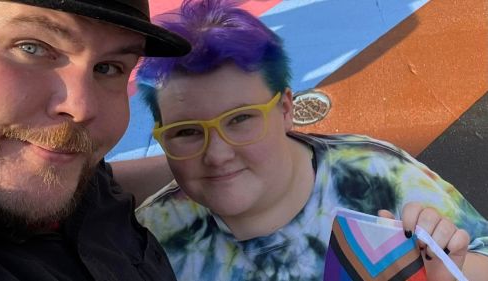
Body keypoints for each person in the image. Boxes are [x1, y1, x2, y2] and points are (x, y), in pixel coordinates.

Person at [134, 0, 488, 280]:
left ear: (286, 109)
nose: (217, 154)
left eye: (240, 119)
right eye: (186, 132)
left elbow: (479, 253)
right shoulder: (147, 238)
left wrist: (450, 268)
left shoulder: (379, 177)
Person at [0, 0, 191, 280]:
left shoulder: (46, 153)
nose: (82, 109)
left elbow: (101, 183)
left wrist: (201, 164)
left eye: (108, 67)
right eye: (32, 48)